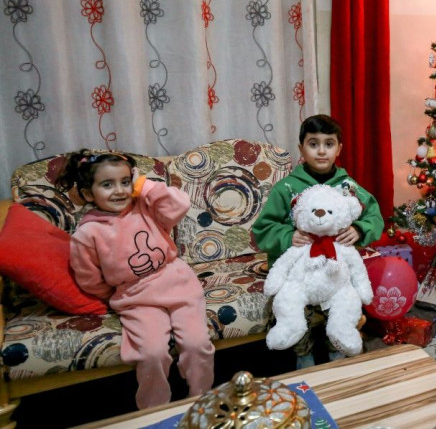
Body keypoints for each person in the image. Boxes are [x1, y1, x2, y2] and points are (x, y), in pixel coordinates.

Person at [57, 150, 214, 410]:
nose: (118, 190)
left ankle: (201, 401)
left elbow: (180, 205)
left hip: (178, 285)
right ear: (87, 193)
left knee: (198, 345)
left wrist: (144, 186)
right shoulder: (87, 233)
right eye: (107, 185)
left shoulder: (145, 206)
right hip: (137, 298)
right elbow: (89, 278)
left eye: (125, 181)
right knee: (151, 354)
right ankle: (154, 413)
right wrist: (117, 292)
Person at [252, 114, 384, 367]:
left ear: (339, 148)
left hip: (335, 271)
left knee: (342, 307)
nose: (321, 151)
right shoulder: (287, 188)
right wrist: (288, 236)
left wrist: (359, 228)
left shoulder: (348, 187)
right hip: (299, 271)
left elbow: (374, 216)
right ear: (301, 148)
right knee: (293, 307)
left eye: (329, 144)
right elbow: (263, 229)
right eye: (313, 144)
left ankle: (338, 349)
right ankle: (304, 355)